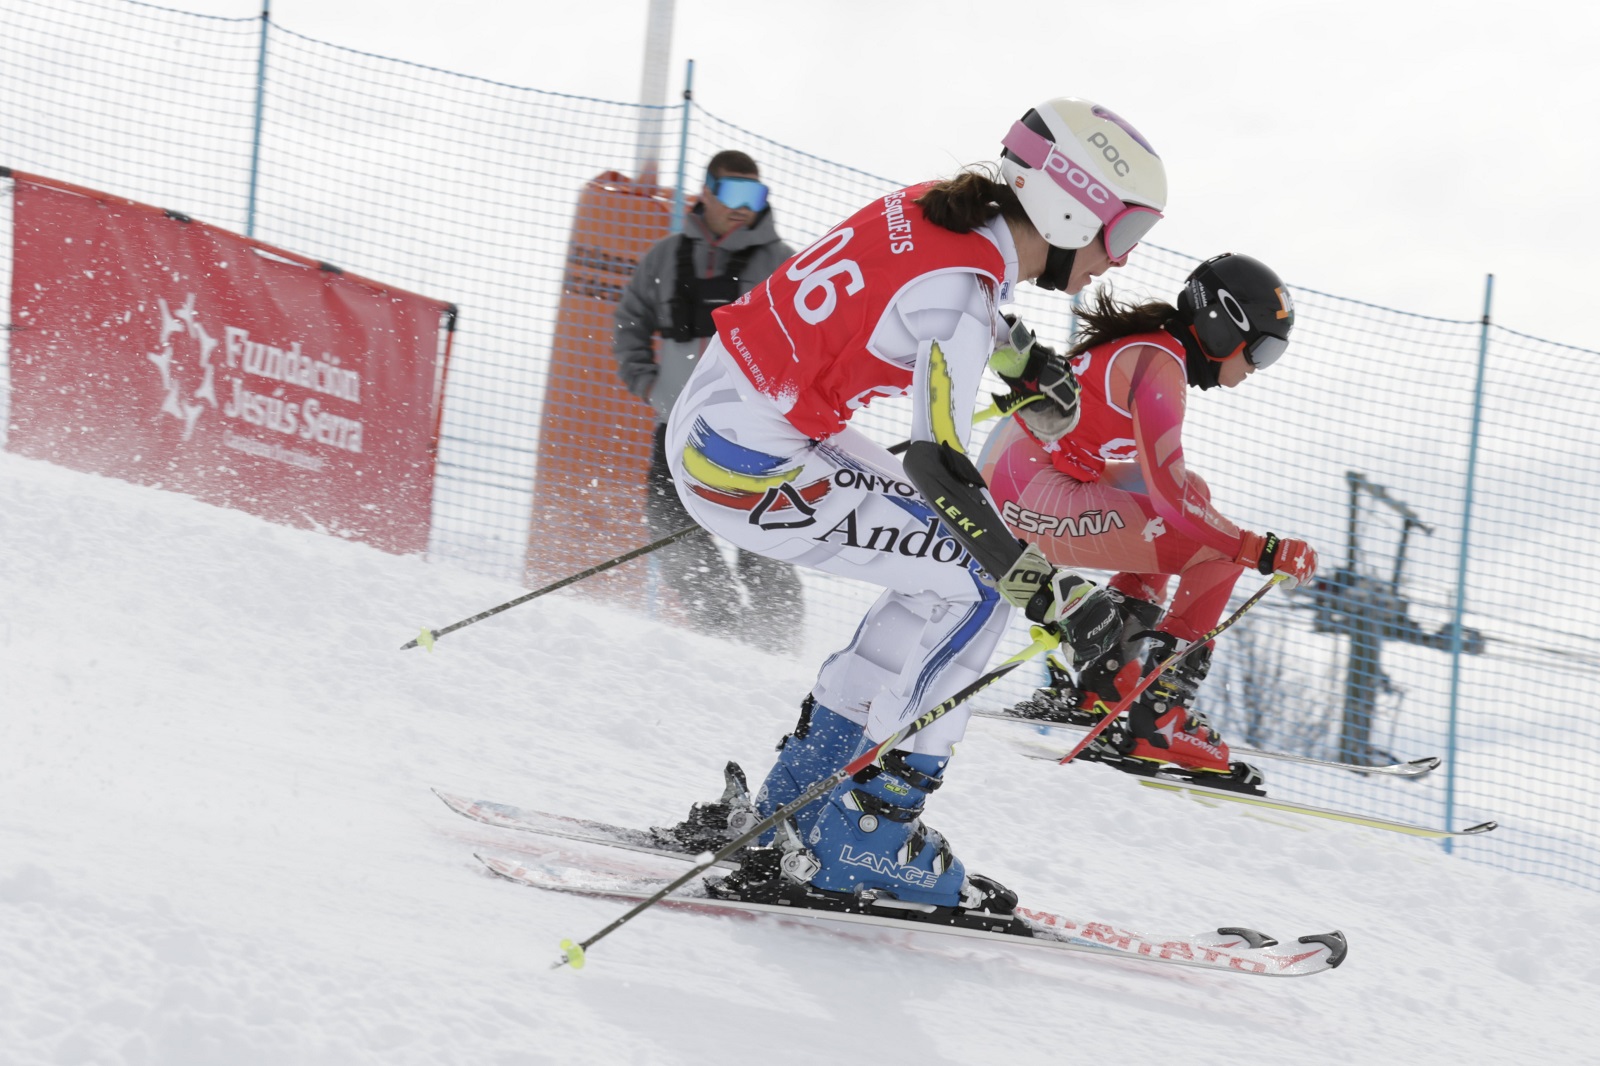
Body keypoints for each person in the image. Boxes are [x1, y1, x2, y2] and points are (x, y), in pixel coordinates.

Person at [657, 98, 1167, 915]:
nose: (1120, 261)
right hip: (748, 461)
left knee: (951, 570)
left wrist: (1022, 357)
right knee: (984, 578)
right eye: (1123, 233)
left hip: (727, 420)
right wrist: (1055, 595)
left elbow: (928, 298)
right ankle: (869, 832)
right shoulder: (960, 297)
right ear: (1071, 209)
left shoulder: (936, 211)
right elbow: (939, 465)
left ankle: (806, 794)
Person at [979, 253, 1319, 787]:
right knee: (1218, 551)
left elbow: (1176, 491)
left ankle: (1108, 684)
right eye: (1263, 348)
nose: (1257, 366)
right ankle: (1157, 716)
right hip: (1027, 495)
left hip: (1022, 479)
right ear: (1223, 322)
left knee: (1200, 500)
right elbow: (1168, 497)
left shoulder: (1157, 351)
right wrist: (1261, 548)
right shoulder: (1159, 363)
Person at [614, 150, 803, 651]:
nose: (744, 208)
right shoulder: (668, 256)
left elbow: (810, 337)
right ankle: (722, 629)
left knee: (760, 532)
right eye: (735, 194)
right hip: (677, 425)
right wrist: (648, 385)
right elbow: (630, 318)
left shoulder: (781, 263)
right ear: (708, 192)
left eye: (756, 197)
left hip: (753, 431)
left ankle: (776, 641)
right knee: (667, 521)